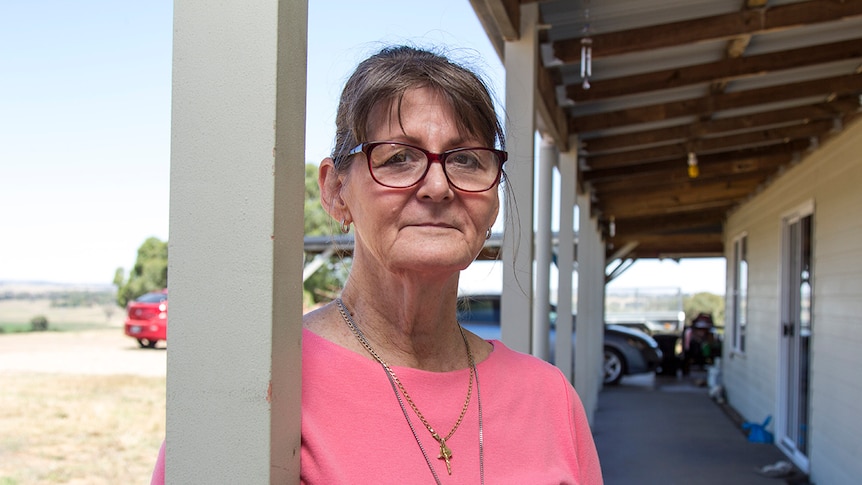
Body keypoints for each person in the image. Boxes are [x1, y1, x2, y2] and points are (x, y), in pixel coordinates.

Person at [152, 45, 602, 484]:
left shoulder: (549, 397)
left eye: (466, 160)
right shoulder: (261, 386)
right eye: (399, 157)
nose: (437, 187)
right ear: (335, 191)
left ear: (493, 201)